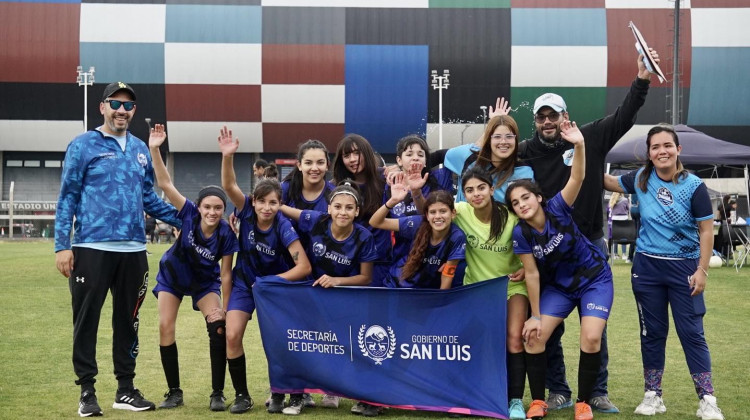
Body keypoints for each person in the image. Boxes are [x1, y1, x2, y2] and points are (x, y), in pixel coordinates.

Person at [492, 48, 661, 413]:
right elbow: (487, 160)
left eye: (554, 115)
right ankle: (557, 390)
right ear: (536, 121)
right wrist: (496, 127)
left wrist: (642, 78)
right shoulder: (524, 152)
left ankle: (596, 391)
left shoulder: (589, 136)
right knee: (547, 324)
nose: (548, 121)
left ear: (564, 116)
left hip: (590, 242)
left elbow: (625, 115)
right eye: (542, 117)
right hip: (547, 249)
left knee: (593, 323)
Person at [54, 81, 181, 416]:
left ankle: (125, 389)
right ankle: (87, 392)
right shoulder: (82, 145)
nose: (121, 111)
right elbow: (67, 196)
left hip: (133, 251)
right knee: (86, 321)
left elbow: (149, 198)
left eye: (128, 106)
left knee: (128, 321)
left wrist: (188, 218)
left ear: (133, 111)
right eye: (115, 104)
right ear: (103, 107)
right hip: (91, 248)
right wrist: (61, 246)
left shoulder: (140, 148)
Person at [604, 124, 724, 420]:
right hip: (647, 268)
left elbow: (707, 232)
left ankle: (707, 399)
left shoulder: (694, 186)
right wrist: (581, 153)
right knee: (652, 334)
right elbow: (608, 182)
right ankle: (653, 395)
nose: (662, 151)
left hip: (685, 268)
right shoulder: (640, 179)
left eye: (667, 145)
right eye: (655, 147)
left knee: (692, 333)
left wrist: (702, 270)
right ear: (649, 153)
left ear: (678, 149)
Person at [507, 121, 612, 420]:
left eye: (525, 197)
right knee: (534, 336)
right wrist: (536, 316)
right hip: (561, 288)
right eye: (515, 203)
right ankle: (539, 401)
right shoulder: (521, 235)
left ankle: (583, 403)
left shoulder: (557, 207)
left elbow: (577, 176)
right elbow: (532, 274)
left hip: (594, 279)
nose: (522, 204)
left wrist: (579, 145)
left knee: (591, 338)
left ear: (538, 197)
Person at [219, 126, 313, 415]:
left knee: (284, 341)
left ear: (279, 204)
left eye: (274, 202)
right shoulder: (246, 211)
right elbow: (229, 186)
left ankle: (291, 392)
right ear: (254, 201)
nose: (267, 207)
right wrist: (227, 157)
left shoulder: (284, 226)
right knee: (232, 335)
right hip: (245, 283)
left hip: (275, 289)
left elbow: (304, 267)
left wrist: (271, 281)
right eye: (262, 202)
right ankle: (242, 395)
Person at [147, 124, 238, 411]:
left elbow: (225, 273)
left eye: (218, 208)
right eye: (207, 207)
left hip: (204, 283)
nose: (212, 212)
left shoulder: (225, 234)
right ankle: (174, 392)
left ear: (224, 210)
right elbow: (165, 184)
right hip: (173, 277)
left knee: (218, 328)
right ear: (198, 207)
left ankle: (217, 393)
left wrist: (225, 306)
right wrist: (154, 148)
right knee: (165, 327)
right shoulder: (186, 212)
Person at [280, 180, 379, 416]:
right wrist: (262, 205)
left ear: (356, 211)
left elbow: (365, 278)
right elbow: (282, 209)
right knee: (305, 341)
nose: (342, 212)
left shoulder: (363, 237)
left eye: (348, 208)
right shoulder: (316, 220)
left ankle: (339, 391)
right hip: (311, 292)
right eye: (337, 206)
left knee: (343, 346)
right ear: (329, 208)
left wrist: (336, 281)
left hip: (344, 297)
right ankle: (299, 394)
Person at [452, 167, 529, 419]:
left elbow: (534, 246)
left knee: (514, 338)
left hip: (511, 286)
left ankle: (515, 401)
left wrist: (527, 272)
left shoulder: (510, 216)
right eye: (470, 190)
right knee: (475, 342)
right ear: (464, 195)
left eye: (481, 188)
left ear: (492, 189)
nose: (476, 194)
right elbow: (432, 214)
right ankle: (471, 398)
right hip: (476, 289)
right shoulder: (461, 212)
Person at [370, 179, 466, 289]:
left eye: (443, 211)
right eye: (433, 212)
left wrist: (441, 301)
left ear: (453, 213)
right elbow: (375, 222)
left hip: (424, 291)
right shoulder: (416, 223)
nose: (438, 216)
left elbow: (448, 275)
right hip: (396, 284)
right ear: (427, 215)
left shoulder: (457, 237)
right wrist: (392, 201)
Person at [332, 134, 391, 288]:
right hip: (346, 261)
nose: (352, 159)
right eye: (346, 155)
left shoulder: (385, 179)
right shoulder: (336, 187)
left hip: (379, 262)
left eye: (357, 153)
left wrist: (397, 169)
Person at [385, 135, 454, 265]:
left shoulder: (439, 177)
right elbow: (381, 222)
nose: (415, 157)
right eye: (409, 154)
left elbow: (453, 154)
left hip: (436, 258)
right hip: (402, 259)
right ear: (399, 160)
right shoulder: (391, 185)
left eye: (421, 154)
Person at [444, 115, 533, 204]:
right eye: (497, 137)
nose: (503, 142)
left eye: (509, 136)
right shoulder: (468, 156)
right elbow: (438, 156)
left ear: (516, 139)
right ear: (488, 140)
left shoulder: (524, 172)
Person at [608, 192, 630, 259]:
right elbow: (628, 209)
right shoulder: (625, 200)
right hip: (624, 219)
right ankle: (624, 254)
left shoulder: (612, 200)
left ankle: (615, 254)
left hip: (614, 220)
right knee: (624, 237)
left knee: (615, 236)